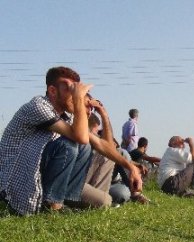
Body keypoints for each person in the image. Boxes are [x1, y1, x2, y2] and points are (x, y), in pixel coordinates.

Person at [0, 66, 142, 215]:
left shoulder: (68, 117)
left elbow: (101, 144)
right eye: (70, 89)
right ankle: (53, 206)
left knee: (104, 195)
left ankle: (66, 202)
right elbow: (80, 138)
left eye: (76, 89)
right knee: (70, 145)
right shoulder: (38, 106)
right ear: (53, 91)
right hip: (18, 182)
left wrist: (130, 167)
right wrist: (79, 99)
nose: (75, 94)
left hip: (43, 178)